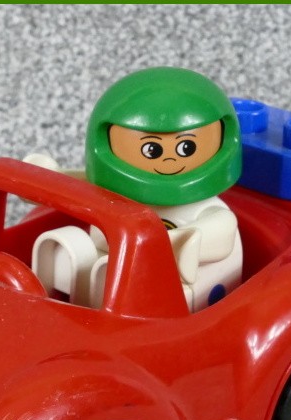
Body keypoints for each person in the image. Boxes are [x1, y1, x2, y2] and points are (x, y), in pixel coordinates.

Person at [28, 67, 243, 312]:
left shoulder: (209, 211)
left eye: (186, 148)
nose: (169, 160)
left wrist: (176, 244)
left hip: (174, 297)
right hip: (102, 273)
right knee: (69, 250)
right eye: (152, 150)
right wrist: (47, 177)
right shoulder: (110, 188)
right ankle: (48, 301)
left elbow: (220, 232)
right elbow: (74, 186)